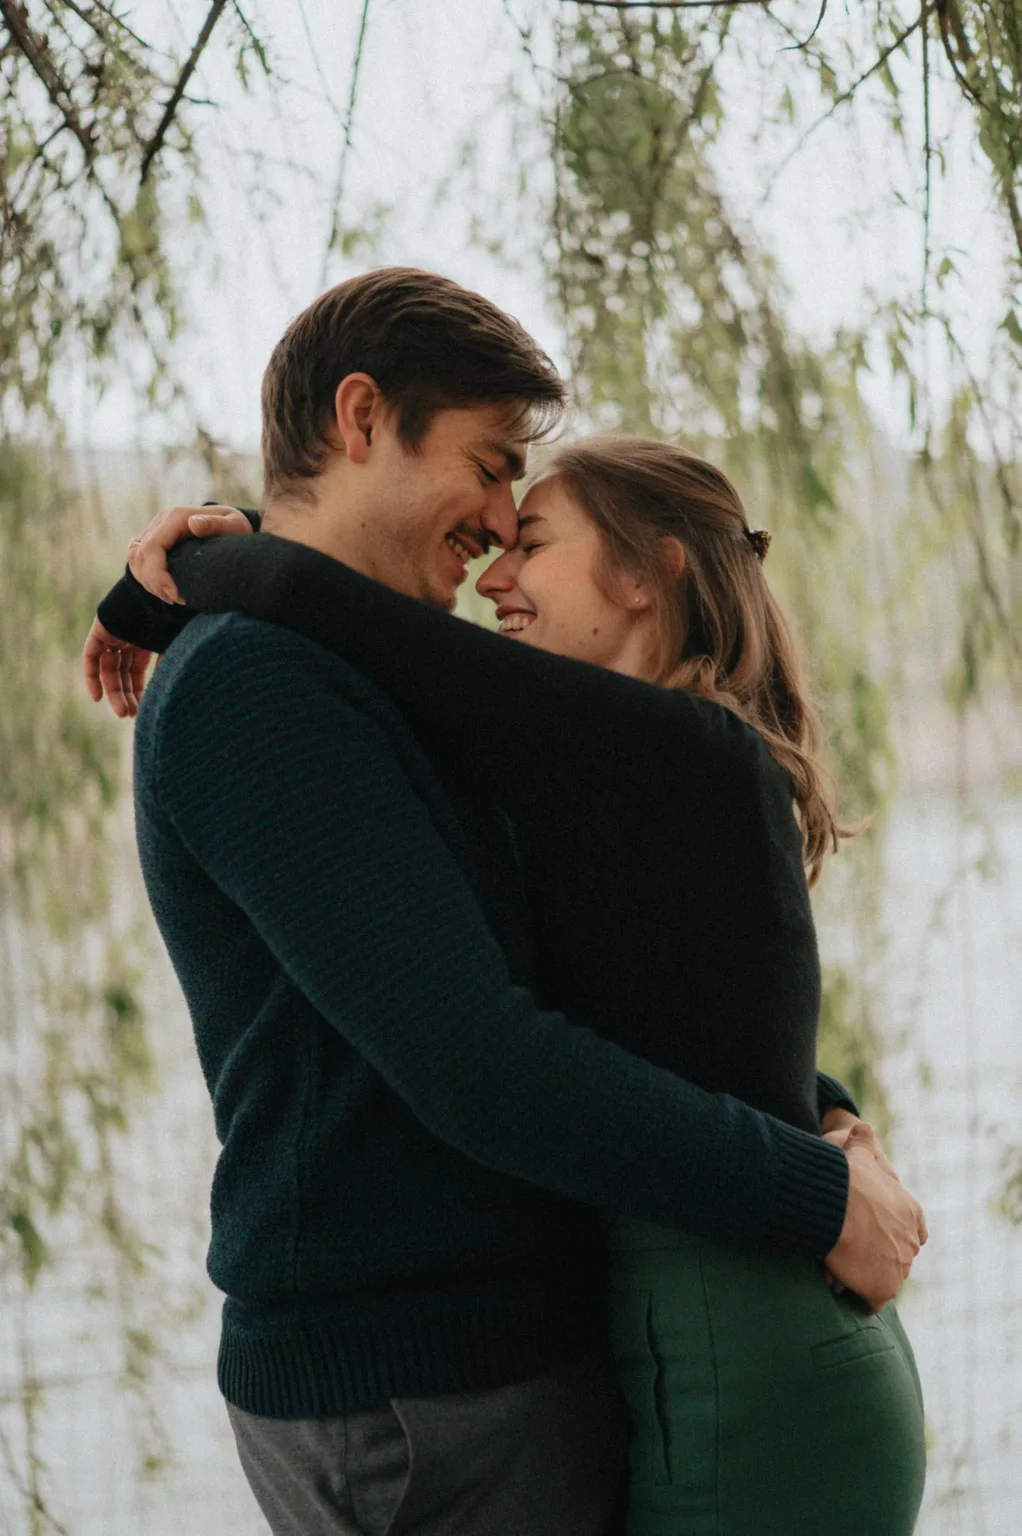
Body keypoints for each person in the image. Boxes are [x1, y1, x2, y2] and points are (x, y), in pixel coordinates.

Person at [83, 268, 926, 1536]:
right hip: (418, 1386)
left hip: (499, 1363)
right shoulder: (262, 690)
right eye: (486, 468)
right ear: (362, 419)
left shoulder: (393, 686)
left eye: (525, 515)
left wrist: (818, 1119)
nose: (493, 532)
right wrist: (813, 1190)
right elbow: (480, 1059)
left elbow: (619, 993)